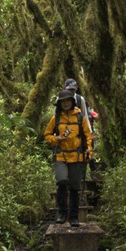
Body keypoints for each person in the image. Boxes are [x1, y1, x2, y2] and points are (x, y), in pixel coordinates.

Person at [44, 89, 93, 226]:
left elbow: (88, 136)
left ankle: (74, 216)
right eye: (63, 101)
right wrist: (56, 139)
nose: (66, 103)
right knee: (62, 182)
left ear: (72, 102)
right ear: (59, 104)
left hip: (77, 157)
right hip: (60, 155)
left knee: (74, 187)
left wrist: (89, 151)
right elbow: (47, 135)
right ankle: (62, 212)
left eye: (68, 101)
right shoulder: (56, 118)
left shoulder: (80, 117)